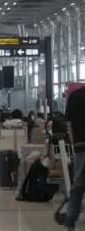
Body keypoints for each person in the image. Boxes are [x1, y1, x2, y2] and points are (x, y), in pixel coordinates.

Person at [64, 86, 85, 230]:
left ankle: (70, 218)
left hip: (80, 146)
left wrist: (74, 144)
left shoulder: (75, 95)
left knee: (77, 185)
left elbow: (69, 123)